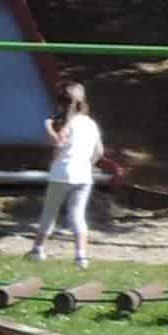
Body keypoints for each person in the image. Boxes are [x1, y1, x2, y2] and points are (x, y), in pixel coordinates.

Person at [30, 80, 105, 268]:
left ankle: (37, 250)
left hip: (62, 173)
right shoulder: (91, 124)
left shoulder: (68, 124)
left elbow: (59, 144)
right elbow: (99, 152)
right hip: (84, 175)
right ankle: (81, 257)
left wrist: (48, 127)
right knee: (77, 215)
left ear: (61, 103)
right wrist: (88, 165)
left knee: (50, 212)